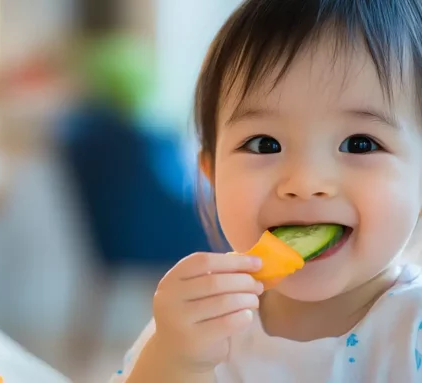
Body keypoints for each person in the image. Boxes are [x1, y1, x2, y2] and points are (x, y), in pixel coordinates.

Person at [109, 0, 422, 381]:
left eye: (360, 143)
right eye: (264, 144)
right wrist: (175, 363)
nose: (305, 183)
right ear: (210, 173)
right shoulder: (188, 333)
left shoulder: (412, 328)